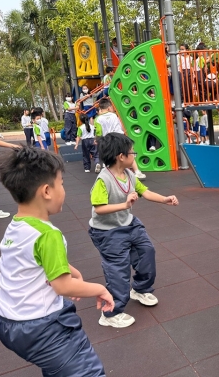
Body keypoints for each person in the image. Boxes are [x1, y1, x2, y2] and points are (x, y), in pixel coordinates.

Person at [0, 147, 113, 376]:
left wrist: (70, 270)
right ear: (47, 191)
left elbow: (32, 260)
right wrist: (100, 289)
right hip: (41, 328)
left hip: (8, 323)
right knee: (87, 371)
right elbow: (62, 287)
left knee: (59, 369)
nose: (63, 189)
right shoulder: (48, 234)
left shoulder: (17, 225)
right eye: (61, 183)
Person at [88, 133, 179, 328]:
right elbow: (99, 208)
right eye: (132, 153)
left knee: (147, 251)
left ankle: (140, 289)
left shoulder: (129, 175)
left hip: (129, 224)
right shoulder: (103, 180)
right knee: (118, 269)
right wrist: (125, 204)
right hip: (107, 231)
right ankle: (110, 313)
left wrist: (165, 199)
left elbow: (145, 192)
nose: (134, 155)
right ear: (121, 156)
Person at [94, 98, 146, 180]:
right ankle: (137, 171)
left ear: (100, 108)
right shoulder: (114, 115)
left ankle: (110, 175)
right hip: (120, 137)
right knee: (128, 153)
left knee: (110, 157)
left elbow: (99, 132)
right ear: (109, 107)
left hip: (109, 140)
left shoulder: (98, 119)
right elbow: (120, 126)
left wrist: (97, 140)